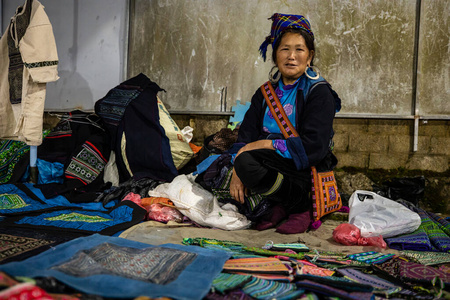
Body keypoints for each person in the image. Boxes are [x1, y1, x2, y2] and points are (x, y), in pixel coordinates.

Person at [228, 13, 341, 234]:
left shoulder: (319, 92)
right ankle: (282, 203)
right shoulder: (264, 94)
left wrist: (259, 147)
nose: (291, 56)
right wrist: (237, 167)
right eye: (284, 49)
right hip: (272, 163)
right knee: (237, 164)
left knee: (247, 158)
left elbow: (313, 147)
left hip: (305, 164)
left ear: (310, 56)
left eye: (299, 49)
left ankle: (301, 206)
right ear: (275, 56)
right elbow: (246, 137)